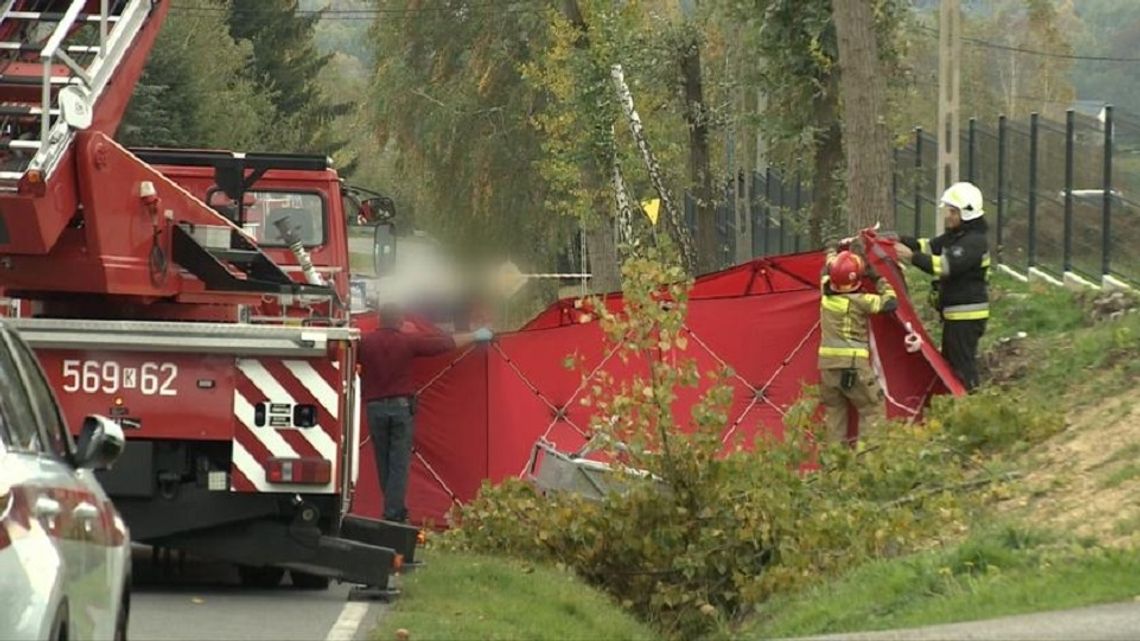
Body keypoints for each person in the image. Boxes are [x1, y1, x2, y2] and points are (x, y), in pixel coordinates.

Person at [358, 303, 493, 522]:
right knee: (399, 463)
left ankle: (393, 509)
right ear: (400, 320)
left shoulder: (364, 342)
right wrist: (476, 336)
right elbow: (442, 344)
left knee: (383, 462)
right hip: (401, 409)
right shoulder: (407, 341)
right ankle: (393, 514)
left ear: (380, 319)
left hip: (374, 409)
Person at [895, 182, 991, 392]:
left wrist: (912, 257)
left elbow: (945, 266)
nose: (948, 215)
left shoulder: (974, 242)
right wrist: (897, 239)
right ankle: (958, 405)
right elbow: (928, 246)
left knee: (962, 367)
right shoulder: (957, 236)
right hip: (955, 315)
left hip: (967, 317)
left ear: (966, 213)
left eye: (952, 211)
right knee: (950, 365)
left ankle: (971, 406)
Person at [818, 239, 898, 447]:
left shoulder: (825, 293)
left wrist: (832, 248)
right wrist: (877, 276)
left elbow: (827, 268)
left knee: (835, 414)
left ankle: (833, 468)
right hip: (854, 368)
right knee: (872, 408)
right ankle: (866, 465)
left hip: (827, 369)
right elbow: (890, 302)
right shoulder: (862, 301)